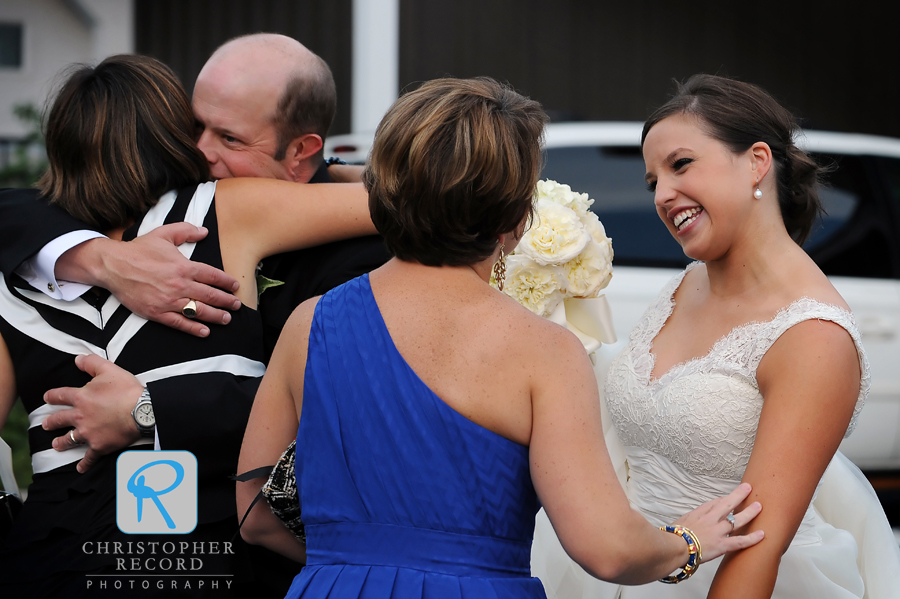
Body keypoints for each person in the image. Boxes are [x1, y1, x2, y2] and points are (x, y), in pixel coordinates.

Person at [236, 77, 765, 599]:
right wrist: (688, 544)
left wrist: (359, 564)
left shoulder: (312, 323)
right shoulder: (542, 352)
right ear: (516, 216)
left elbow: (255, 514)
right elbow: (607, 547)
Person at [0, 54, 374, 598]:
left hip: (54, 555)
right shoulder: (229, 211)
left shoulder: (13, 272)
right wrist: (334, 173)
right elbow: (408, 205)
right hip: (207, 548)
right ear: (169, 133)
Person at [536, 74, 900, 599]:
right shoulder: (684, 285)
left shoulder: (813, 337)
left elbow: (758, 545)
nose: (663, 195)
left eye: (681, 165)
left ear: (756, 161)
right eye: (652, 181)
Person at [0, 33, 390, 356]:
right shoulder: (173, 201)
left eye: (229, 137)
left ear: (301, 150)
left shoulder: (364, 259)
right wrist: (102, 259)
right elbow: (27, 206)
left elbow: (324, 401)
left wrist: (149, 408)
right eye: (196, 125)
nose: (199, 150)